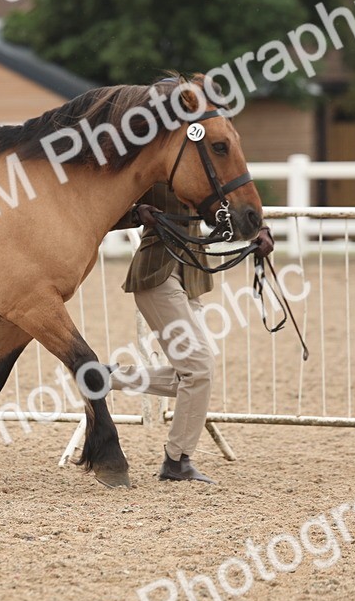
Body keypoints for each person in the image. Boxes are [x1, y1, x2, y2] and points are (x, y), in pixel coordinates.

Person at [110, 182, 274, 483]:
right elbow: (107, 207)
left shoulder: (195, 166)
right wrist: (135, 214)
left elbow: (225, 206)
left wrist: (258, 229)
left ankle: (105, 377)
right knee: (198, 370)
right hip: (157, 276)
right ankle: (177, 461)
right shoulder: (150, 164)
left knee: (193, 374)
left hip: (191, 278)